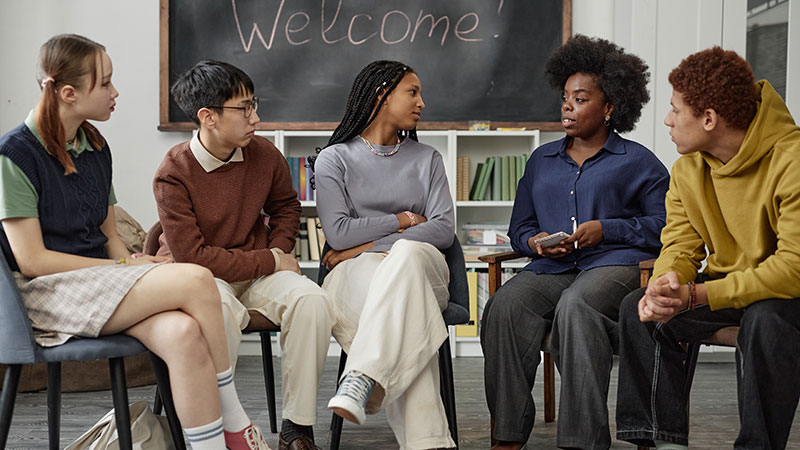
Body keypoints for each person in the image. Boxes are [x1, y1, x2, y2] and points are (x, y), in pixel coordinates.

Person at [0, 34, 269, 450]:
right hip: (46, 294)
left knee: (182, 334)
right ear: (69, 93)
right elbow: (32, 261)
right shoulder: (14, 155)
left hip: (98, 284)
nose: (115, 92)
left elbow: (108, 236)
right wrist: (125, 270)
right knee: (196, 279)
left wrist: (130, 261)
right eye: (105, 83)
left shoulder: (95, 145)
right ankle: (235, 419)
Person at [480, 35, 669, 450]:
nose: (567, 105)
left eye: (581, 98)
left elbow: (664, 226)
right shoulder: (541, 161)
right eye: (565, 97)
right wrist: (536, 242)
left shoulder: (638, 161)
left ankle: (583, 441)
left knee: (577, 306)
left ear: (610, 107)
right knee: (503, 306)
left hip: (616, 265)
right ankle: (507, 436)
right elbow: (520, 228)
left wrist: (608, 228)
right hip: (553, 266)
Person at [615, 47, 800, 450]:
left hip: (789, 295)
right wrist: (665, 285)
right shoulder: (687, 170)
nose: (667, 120)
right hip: (733, 288)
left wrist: (696, 293)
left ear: (709, 119)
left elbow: (793, 268)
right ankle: (662, 442)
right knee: (638, 309)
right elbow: (680, 244)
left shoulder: (793, 159)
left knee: (765, 321)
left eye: (675, 110)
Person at [153, 60, 335, 450]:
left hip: (254, 271)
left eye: (254, 104)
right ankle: (217, 429)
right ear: (209, 117)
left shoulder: (264, 155)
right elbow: (194, 259)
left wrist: (278, 249)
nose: (257, 117)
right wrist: (270, 260)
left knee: (314, 301)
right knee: (217, 311)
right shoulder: (173, 172)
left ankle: (296, 429)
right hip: (199, 279)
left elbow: (287, 207)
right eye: (245, 108)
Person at [311, 60, 456, 450]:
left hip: (422, 267)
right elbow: (338, 231)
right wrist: (404, 220)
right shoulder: (334, 159)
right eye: (413, 92)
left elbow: (442, 229)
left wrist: (362, 247)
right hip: (357, 278)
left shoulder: (428, 159)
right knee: (411, 314)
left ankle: (363, 375)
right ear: (382, 96)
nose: (422, 102)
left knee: (407, 256)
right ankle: (430, 444)